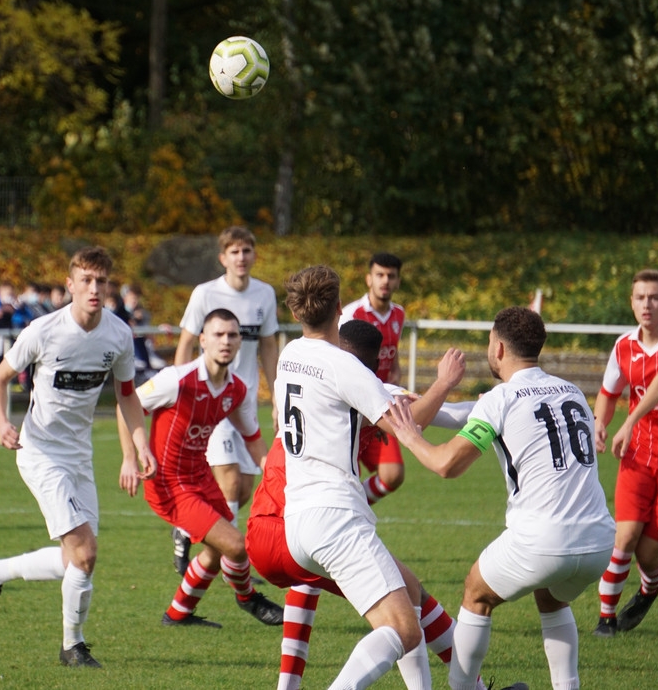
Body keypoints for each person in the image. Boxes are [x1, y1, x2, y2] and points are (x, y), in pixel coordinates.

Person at [386, 306, 615, 690]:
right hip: (599, 542)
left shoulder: (501, 398)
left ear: (500, 348)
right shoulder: (572, 391)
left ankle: (461, 689)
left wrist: (410, 437)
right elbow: (485, 414)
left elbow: (446, 465)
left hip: (543, 541)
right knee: (551, 597)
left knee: (477, 592)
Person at [247, 318, 481, 690]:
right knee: (402, 617)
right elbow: (434, 418)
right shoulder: (365, 385)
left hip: (265, 526)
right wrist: (481, 396)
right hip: (309, 519)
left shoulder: (297, 365)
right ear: (376, 366)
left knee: (404, 590)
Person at [0, 246, 156, 669]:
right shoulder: (42, 331)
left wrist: (138, 448)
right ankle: (73, 646)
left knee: (76, 560)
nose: (94, 288)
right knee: (85, 552)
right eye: (86, 280)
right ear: (70, 284)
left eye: (101, 281)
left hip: (80, 456)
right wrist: (1, 423)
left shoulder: (118, 335)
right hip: (39, 452)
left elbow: (127, 396)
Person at [117, 308, 283, 629]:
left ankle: (178, 614)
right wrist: (130, 456)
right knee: (235, 544)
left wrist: (274, 474)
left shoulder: (236, 390)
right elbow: (127, 405)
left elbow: (253, 439)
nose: (226, 341)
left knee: (216, 551)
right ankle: (248, 598)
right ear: (203, 340)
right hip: (168, 483)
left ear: (240, 342)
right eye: (218, 335)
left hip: (201, 477)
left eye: (232, 335)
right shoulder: (176, 380)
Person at [171, 225, 278, 575]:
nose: (241, 257)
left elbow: (268, 346)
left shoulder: (264, 294)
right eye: (234, 252)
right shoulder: (205, 294)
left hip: (243, 401)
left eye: (246, 251)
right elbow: (187, 343)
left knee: (243, 488)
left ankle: (188, 526)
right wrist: (182, 391)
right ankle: (230, 562)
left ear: (254, 255)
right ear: (223, 258)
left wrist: (276, 396)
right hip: (211, 400)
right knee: (230, 481)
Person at [589, 268, 658, 637]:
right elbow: (608, 393)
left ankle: (649, 588)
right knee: (625, 536)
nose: (647, 304)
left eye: (655, 297)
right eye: (640, 297)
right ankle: (606, 619)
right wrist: (599, 424)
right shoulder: (623, 347)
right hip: (638, 455)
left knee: (649, 554)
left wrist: (630, 419)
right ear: (632, 303)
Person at [340, 252, 408, 505]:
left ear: (398, 281)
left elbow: (392, 355)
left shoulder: (398, 314)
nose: (385, 281)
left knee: (393, 474)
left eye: (391, 276)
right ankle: (349, 509)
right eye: (380, 275)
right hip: (352, 408)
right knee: (346, 476)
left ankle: (356, 504)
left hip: (380, 406)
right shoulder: (351, 314)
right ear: (369, 279)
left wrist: (395, 382)